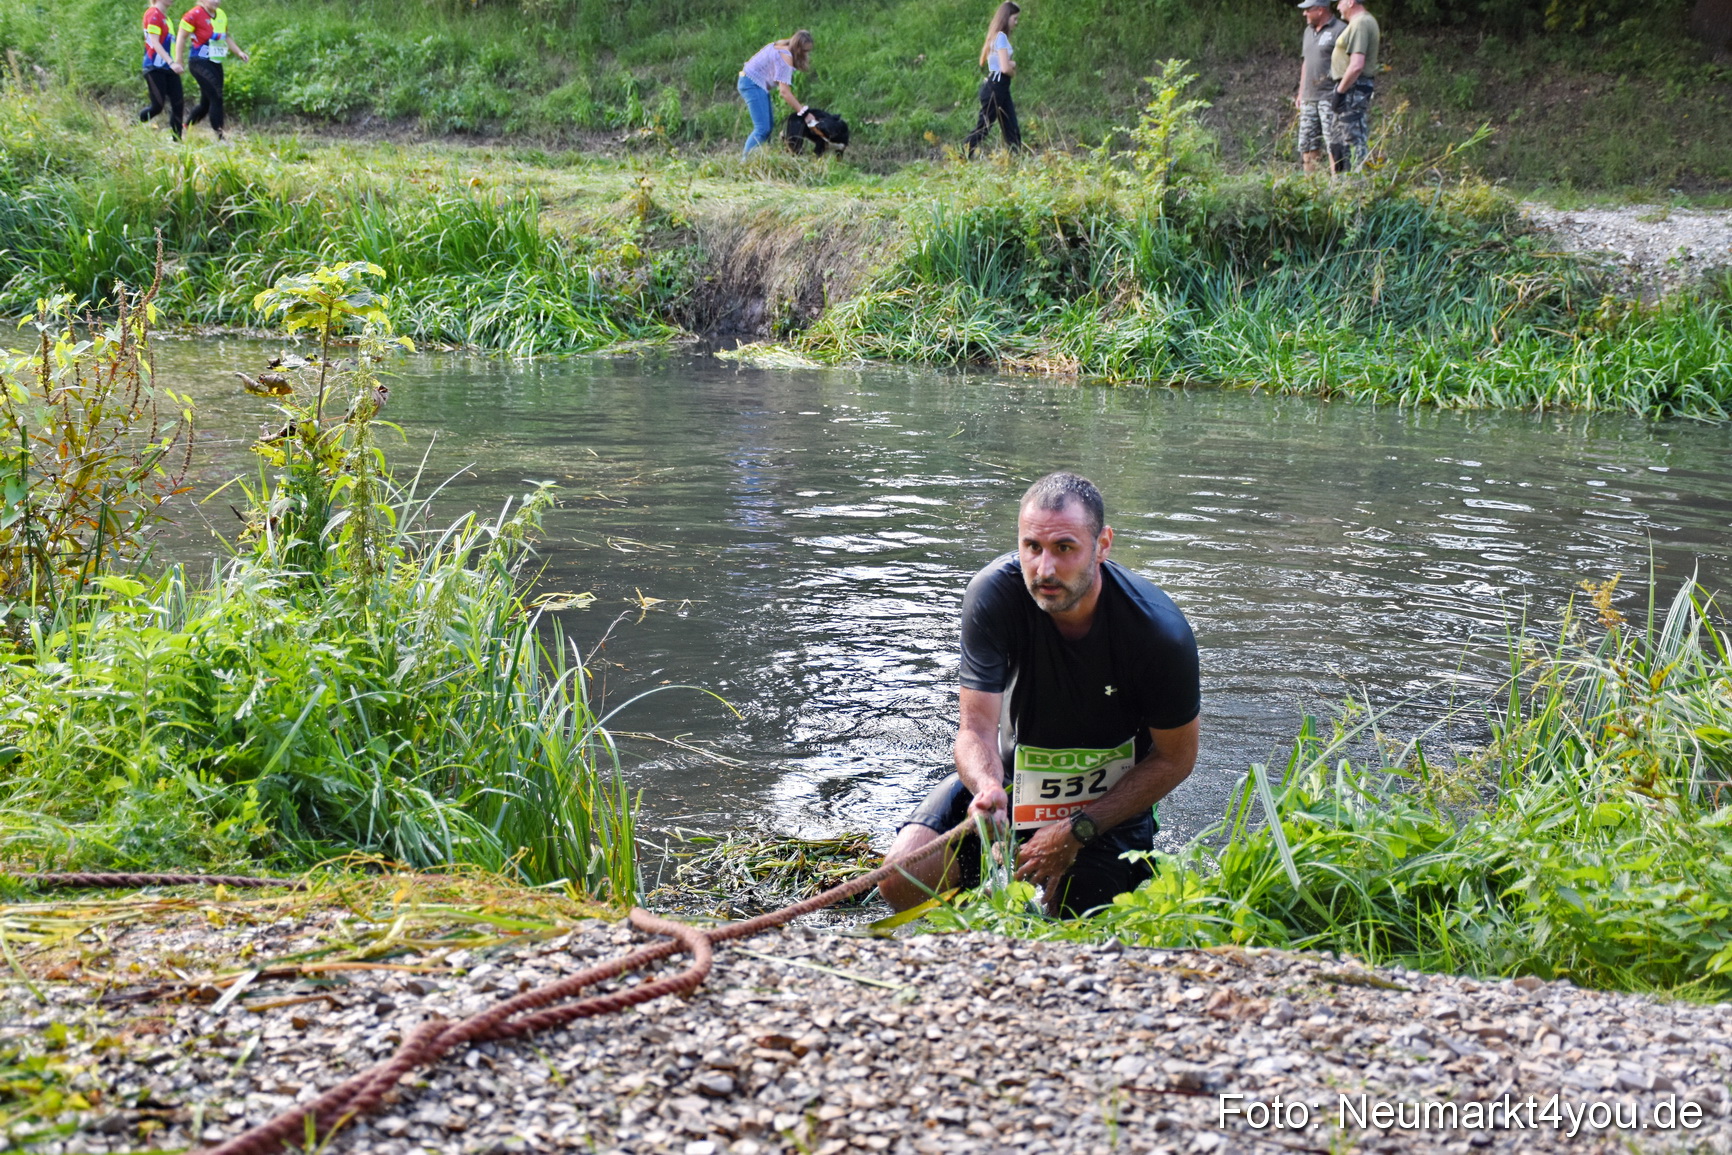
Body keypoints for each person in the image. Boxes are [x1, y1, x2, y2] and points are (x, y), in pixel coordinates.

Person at [879, 472, 1201, 918]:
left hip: (1107, 800)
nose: (1045, 569)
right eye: (1032, 547)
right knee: (900, 880)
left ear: (1103, 545)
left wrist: (1078, 829)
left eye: (1064, 548)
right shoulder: (993, 595)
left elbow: (1175, 759)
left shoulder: (1159, 632)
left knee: (1073, 918)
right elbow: (974, 729)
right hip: (1013, 781)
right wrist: (987, 788)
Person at [174, 0, 251, 142]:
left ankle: (184, 127)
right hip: (199, 62)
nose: (216, 1)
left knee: (206, 103)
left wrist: (239, 52)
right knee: (217, 96)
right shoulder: (193, 14)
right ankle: (220, 138)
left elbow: (226, 36)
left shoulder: (221, 14)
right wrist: (179, 60)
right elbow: (181, 36)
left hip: (215, 62)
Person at [738, 31, 815, 157]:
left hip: (753, 83)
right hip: (751, 84)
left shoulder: (782, 45)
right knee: (762, 129)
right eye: (805, 51)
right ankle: (744, 162)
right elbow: (784, 92)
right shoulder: (785, 57)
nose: (807, 55)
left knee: (767, 127)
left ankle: (763, 159)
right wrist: (804, 113)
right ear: (798, 49)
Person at [1326, 0, 1380, 172]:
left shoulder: (1361, 23)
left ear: (1350, 2)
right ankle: (1341, 185)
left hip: (1353, 88)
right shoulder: (1357, 23)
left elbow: (1357, 65)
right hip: (1347, 86)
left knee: (1353, 139)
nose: (1337, 6)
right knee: (1338, 141)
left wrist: (1340, 92)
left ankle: (1357, 186)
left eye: (1340, 2)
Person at [1294, 0, 1346, 174]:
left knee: (1334, 145)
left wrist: (1342, 93)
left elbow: (1349, 63)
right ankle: (1311, 188)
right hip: (1309, 98)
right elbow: (1306, 63)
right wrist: (1301, 93)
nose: (1304, 14)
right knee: (1307, 145)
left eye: (1308, 10)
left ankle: (1337, 186)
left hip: (1330, 97)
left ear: (1321, 10)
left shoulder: (1340, 30)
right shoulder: (1308, 32)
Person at [964, 2, 1022, 156]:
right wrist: (1013, 67)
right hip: (996, 87)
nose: (1016, 23)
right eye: (1015, 19)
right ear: (1006, 17)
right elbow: (1004, 68)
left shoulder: (996, 36)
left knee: (1011, 125)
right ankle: (962, 154)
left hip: (1000, 88)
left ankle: (1017, 158)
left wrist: (1010, 64)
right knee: (984, 127)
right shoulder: (1001, 37)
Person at [140, 1, 185, 141]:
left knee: (178, 103)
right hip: (154, 67)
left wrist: (176, 61)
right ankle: (133, 124)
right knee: (157, 106)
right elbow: (154, 42)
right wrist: (171, 62)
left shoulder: (166, 18)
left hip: (168, 68)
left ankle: (177, 140)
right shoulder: (153, 13)